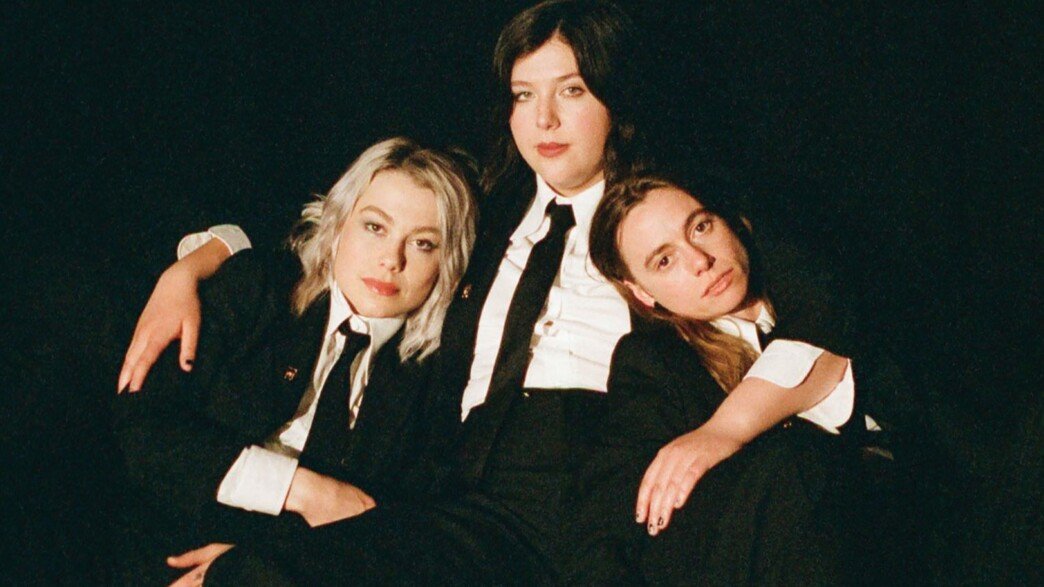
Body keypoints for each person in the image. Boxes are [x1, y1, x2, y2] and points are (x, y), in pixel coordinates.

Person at [116, 2, 869, 584]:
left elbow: (818, 311)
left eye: (572, 91)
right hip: (467, 492)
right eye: (523, 95)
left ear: (616, 100)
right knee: (258, 576)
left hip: (613, 472)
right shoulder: (483, 207)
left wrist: (723, 430)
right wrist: (194, 264)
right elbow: (327, 232)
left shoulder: (670, 213)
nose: (544, 120)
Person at [112, 137, 477, 585]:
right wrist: (305, 491)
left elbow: (411, 528)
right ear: (339, 222)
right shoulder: (259, 289)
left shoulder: (439, 378)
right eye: (375, 227)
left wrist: (258, 565)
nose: (390, 260)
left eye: (422, 243)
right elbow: (144, 428)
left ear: (449, 261)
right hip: (163, 545)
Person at [575, 172, 903, 584]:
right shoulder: (654, 363)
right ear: (643, 293)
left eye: (701, 227)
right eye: (664, 260)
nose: (700, 261)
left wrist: (723, 431)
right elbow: (607, 524)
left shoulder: (818, 292)